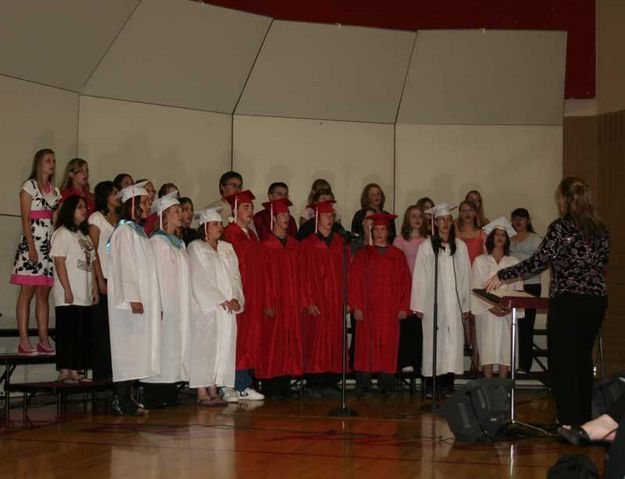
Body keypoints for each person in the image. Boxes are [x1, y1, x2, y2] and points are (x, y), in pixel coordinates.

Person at [485, 176, 609, 426]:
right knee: (582, 360)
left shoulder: (560, 228)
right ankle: (583, 421)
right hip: (595, 300)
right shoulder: (600, 229)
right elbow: (603, 262)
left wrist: (503, 274)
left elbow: (538, 262)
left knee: (563, 361)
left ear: (565, 200)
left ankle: (567, 420)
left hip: (568, 300)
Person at [107, 181, 160, 416]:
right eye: (145, 202)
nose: (148, 206)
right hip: (129, 304)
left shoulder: (140, 234)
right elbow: (124, 267)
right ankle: (121, 399)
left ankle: (128, 397)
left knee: (136, 349)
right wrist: (134, 297)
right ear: (133, 205)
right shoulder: (124, 232)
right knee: (127, 350)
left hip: (141, 302)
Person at [412, 203, 472, 397]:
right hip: (432, 303)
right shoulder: (427, 246)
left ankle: (447, 384)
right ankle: (431, 385)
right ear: (435, 223)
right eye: (441, 220)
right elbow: (419, 276)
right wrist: (418, 304)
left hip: (453, 305)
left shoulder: (460, 246)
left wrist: (465, 304)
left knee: (452, 342)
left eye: (447, 220)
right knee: (433, 342)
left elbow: (466, 277)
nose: (445, 223)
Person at [348, 213, 411, 395]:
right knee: (365, 346)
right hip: (368, 309)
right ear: (371, 231)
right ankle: (364, 383)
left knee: (388, 345)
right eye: (376, 229)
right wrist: (356, 306)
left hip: (390, 310)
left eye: (383, 229)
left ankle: (387, 383)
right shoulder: (363, 254)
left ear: (388, 232)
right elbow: (354, 282)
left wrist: (403, 307)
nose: (379, 233)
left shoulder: (397, 255)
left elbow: (406, 282)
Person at [188, 207, 243, 407]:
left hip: (227, 309)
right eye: (215, 224)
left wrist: (235, 298)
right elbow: (198, 277)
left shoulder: (227, 248)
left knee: (222, 347)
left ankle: (214, 388)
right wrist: (219, 299)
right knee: (205, 347)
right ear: (204, 226)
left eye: (220, 223)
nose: (220, 227)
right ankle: (202, 390)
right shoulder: (196, 247)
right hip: (207, 308)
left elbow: (235, 276)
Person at [10, 148, 60, 355]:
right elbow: (25, 218)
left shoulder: (55, 192)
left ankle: (43, 338)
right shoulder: (28, 186)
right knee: (27, 293)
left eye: (54, 161)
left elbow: (55, 222)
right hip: (32, 246)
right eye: (48, 160)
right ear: (39, 163)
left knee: (43, 294)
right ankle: (23, 340)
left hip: (48, 248)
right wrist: (31, 247)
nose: (52, 164)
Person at [142, 191, 190, 387]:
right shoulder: (157, 242)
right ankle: (157, 387)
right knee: (163, 343)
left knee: (176, 343)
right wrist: (158, 304)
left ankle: (171, 386)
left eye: (181, 210)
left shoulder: (180, 244)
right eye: (176, 210)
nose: (181, 214)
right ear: (164, 215)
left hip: (180, 303)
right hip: (164, 303)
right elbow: (154, 277)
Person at [257, 198, 303, 397]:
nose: (286, 217)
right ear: (273, 218)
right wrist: (268, 302)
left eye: (287, 214)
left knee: (289, 341)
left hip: (291, 302)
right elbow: (263, 278)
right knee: (272, 342)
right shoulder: (265, 246)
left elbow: (303, 277)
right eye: (282, 215)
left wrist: (301, 301)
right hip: (274, 301)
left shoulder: (294, 245)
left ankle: (285, 383)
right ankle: (270, 384)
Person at [299, 200, 345, 398]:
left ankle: (330, 382)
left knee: (334, 340)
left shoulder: (340, 243)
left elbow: (346, 273)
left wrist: (346, 299)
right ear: (317, 219)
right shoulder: (308, 244)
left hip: (334, 301)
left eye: (331, 216)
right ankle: (313, 383)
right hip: (316, 301)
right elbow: (302, 275)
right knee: (314, 340)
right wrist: (307, 301)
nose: (329, 219)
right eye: (326, 216)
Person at [222, 190, 265, 401]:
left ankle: (244, 383)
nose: (250, 211)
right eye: (245, 207)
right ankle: (237, 384)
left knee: (250, 338)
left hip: (253, 292)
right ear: (235, 210)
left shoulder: (252, 234)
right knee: (239, 340)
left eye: (251, 207)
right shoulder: (231, 232)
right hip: (240, 291)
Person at [50, 195, 97, 383]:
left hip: (83, 294)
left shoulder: (84, 236)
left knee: (80, 333)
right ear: (70, 211)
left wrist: (93, 289)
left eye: (85, 206)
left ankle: (76, 370)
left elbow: (91, 263)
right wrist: (67, 289)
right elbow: (59, 262)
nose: (84, 209)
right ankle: (64, 370)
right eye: (79, 207)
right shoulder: (62, 233)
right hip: (68, 294)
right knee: (67, 332)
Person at [471, 218, 523, 378]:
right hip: (487, 313)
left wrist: (508, 308)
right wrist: (491, 307)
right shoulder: (480, 261)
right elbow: (475, 288)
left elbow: (518, 290)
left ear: (507, 240)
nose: (500, 237)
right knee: (488, 349)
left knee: (505, 350)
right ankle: (488, 387)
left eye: (503, 235)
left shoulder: (514, 263)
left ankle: (502, 387)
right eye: (497, 234)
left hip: (507, 314)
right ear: (491, 238)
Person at [87, 181, 119, 380]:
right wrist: (99, 280)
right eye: (114, 193)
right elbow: (92, 251)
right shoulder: (97, 218)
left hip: (117, 278)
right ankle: (101, 374)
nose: (118, 196)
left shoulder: (120, 219)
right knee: (102, 328)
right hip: (103, 276)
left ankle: (114, 373)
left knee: (115, 329)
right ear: (105, 196)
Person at [393, 205, 428, 374]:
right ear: (408, 219)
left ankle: (422, 361)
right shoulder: (400, 240)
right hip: (406, 288)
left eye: (420, 215)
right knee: (407, 326)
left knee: (422, 329)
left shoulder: (429, 241)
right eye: (414, 216)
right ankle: (407, 361)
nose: (417, 219)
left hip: (423, 289)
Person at [509, 208, 543, 373]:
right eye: (515, 219)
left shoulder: (535, 239)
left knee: (526, 325)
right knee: (513, 325)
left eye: (521, 218)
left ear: (528, 220)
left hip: (531, 284)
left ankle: (524, 364)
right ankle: (512, 363)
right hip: (513, 286)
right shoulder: (509, 239)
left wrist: (525, 275)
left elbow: (542, 263)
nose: (518, 222)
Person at [455, 199, 486, 372]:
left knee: (475, 321)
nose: (467, 214)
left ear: (475, 213)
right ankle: (465, 348)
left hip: (476, 280)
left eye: (470, 210)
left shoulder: (482, 234)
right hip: (459, 279)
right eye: (463, 210)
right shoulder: (455, 234)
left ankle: (476, 360)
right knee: (461, 318)